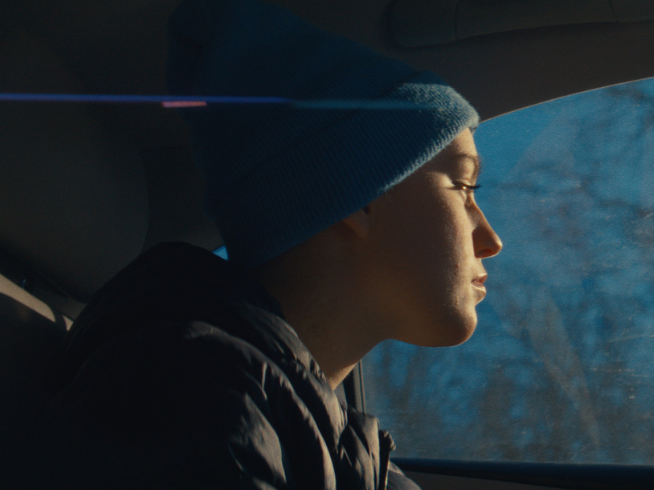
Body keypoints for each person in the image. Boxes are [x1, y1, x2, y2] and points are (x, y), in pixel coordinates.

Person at [17, 0, 500, 488]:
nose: (491, 239)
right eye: (463, 188)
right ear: (358, 195)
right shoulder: (187, 401)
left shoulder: (342, 448)